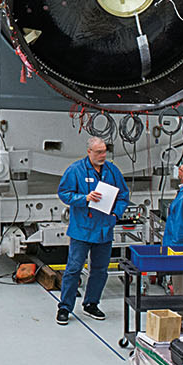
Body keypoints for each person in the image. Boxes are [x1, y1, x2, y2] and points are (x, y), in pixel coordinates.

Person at [56, 135, 129, 325]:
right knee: (73, 269)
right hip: (82, 229)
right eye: (98, 152)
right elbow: (64, 193)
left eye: (104, 151)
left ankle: (91, 303)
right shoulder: (75, 170)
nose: (102, 155)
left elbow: (123, 196)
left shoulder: (112, 171)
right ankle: (65, 306)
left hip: (104, 229)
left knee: (99, 270)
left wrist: (115, 215)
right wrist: (85, 198)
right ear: (89, 152)